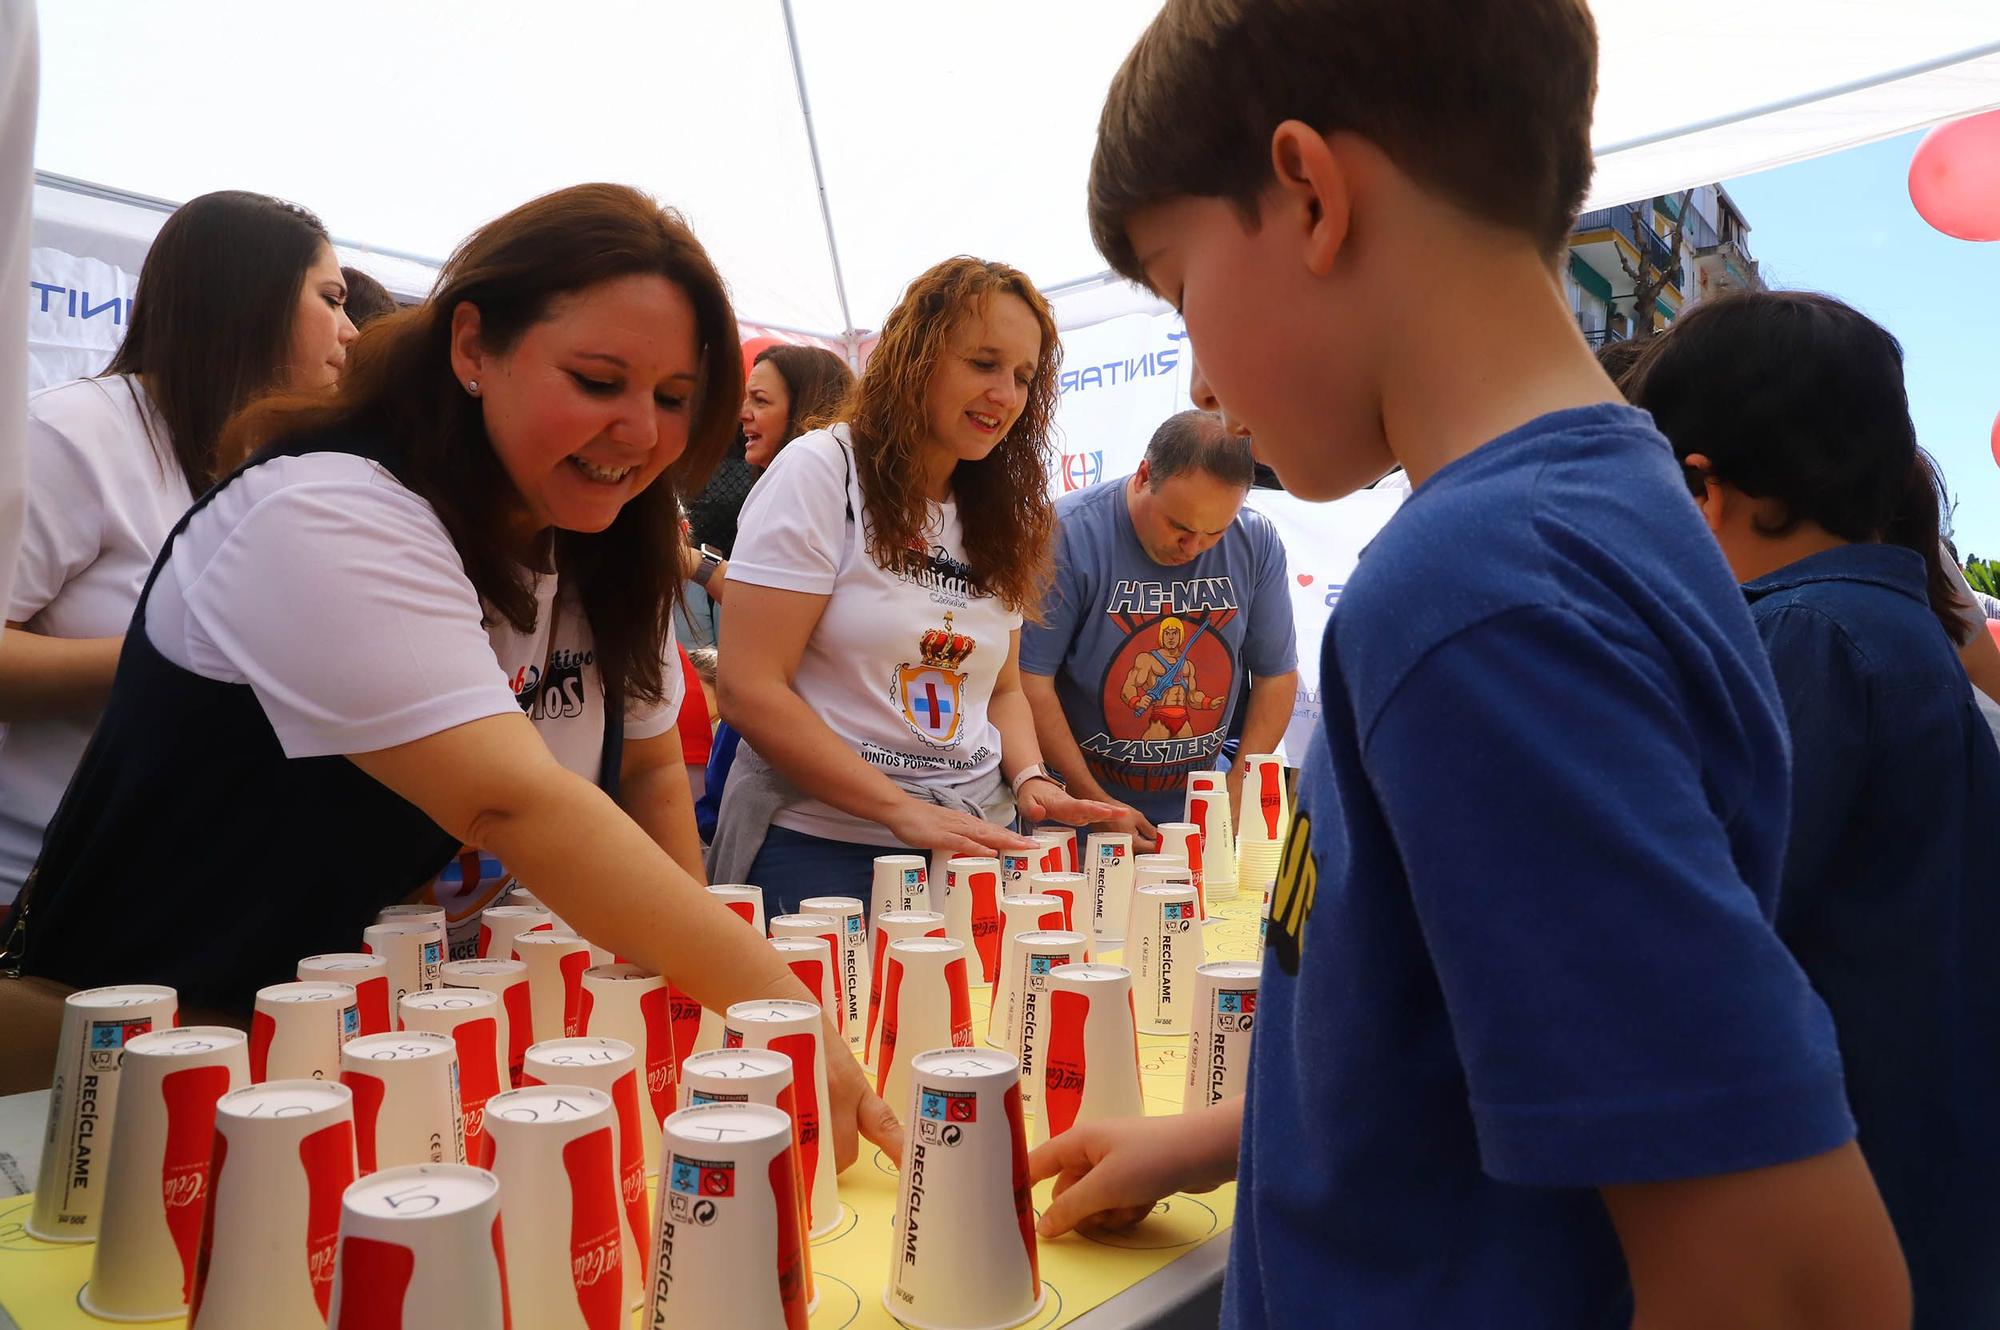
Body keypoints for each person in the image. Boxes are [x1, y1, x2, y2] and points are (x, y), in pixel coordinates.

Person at [1030, 3, 1908, 1328]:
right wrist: (1229, 1134)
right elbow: (1492, 1033)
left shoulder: (1473, 600)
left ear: (1311, 194)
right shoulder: (1606, 512)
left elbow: (1796, 1281)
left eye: (1177, 288)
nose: (1199, 370)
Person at [0, 184, 900, 1162]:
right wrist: (780, 1010)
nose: (640, 433)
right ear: (472, 347)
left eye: (674, 400)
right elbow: (514, 805)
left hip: (387, 1065)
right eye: (598, 380)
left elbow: (643, 773)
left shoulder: (605, 533)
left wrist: (695, 1006)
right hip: (140, 1076)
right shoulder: (329, 505)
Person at [1627, 290, 2000, 1327]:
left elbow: (1705, 927)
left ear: (1694, 486)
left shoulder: (1800, 641)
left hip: (1847, 1200)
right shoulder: (1887, 624)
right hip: (1928, 1183)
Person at [710, 257, 1115, 915]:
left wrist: (1032, 777)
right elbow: (749, 689)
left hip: (972, 841)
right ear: (916, 357)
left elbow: (1002, 688)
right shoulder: (822, 470)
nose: (1006, 395)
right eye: (984, 364)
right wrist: (898, 810)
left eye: (1022, 377)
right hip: (822, 843)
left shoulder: (1003, 510)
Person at [0, 190, 358, 906]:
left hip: (198, 886)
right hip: (45, 900)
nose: (350, 332)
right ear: (251, 298)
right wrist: (187, 654)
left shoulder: (268, 459)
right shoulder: (79, 433)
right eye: (332, 297)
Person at [1021, 409, 1297, 843]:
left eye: (1214, 532)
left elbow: (1277, 676)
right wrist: (1096, 806)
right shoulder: (1066, 535)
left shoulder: (1255, 539)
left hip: (1197, 810)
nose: (1193, 547)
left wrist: (1239, 786)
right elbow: (1029, 682)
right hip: (1074, 816)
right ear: (1144, 475)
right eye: (1179, 526)